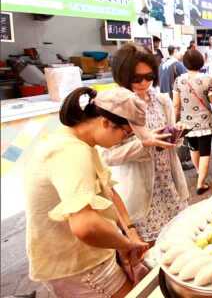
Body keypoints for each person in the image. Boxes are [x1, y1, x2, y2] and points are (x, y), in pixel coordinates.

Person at [24, 87, 167, 298]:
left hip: (96, 253)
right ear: (105, 122)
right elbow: (85, 226)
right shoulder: (70, 151)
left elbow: (109, 191)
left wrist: (130, 231)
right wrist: (125, 245)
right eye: (126, 134)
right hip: (77, 264)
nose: (124, 140)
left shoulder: (81, 142)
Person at [102, 44, 190, 244]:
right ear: (122, 75)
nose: (144, 83)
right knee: (148, 249)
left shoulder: (161, 101)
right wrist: (144, 144)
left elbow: (170, 142)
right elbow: (107, 156)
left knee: (178, 240)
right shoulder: (114, 106)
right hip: (140, 191)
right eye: (136, 78)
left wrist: (176, 133)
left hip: (169, 184)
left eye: (149, 77)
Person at [173, 49, 212, 195]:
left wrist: (176, 121)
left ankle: (200, 173)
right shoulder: (209, 79)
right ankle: (200, 183)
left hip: (187, 124)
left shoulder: (178, 80)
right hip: (205, 122)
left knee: (194, 149)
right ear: (201, 61)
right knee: (205, 153)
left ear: (185, 63)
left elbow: (176, 105)